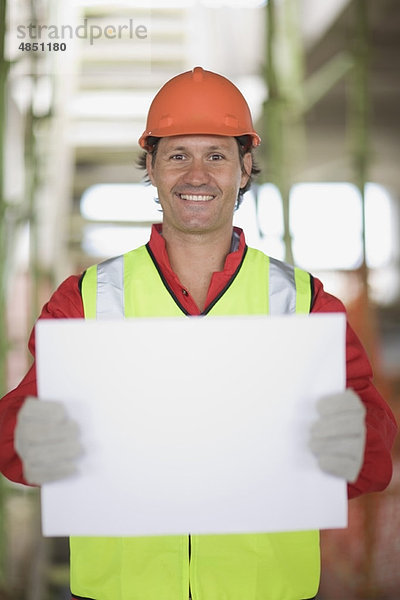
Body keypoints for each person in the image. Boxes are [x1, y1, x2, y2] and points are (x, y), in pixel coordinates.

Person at [0, 66, 397, 600]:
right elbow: (15, 442)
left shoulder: (302, 303)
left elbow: (372, 458)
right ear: (152, 168)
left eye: (216, 155)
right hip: (126, 592)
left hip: (264, 591)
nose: (196, 175)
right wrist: (33, 437)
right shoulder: (86, 301)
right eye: (177, 155)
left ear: (245, 167)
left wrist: (351, 441)